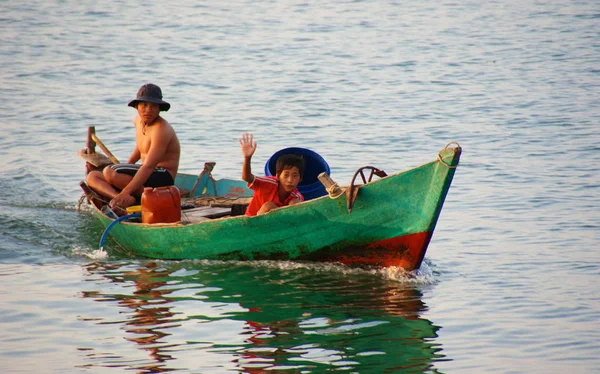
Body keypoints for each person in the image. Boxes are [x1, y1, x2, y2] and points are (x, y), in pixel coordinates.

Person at [86, 83, 180, 209]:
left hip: (162, 174)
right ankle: (118, 199)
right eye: (144, 105)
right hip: (146, 172)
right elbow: (141, 146)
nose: (148, 110)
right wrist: (126, 165)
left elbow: (149, 166)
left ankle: (139, 197)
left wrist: (125, 190)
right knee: (93, 176)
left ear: (159, 109)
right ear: (136, 106)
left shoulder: (161, 129)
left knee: (110, 172)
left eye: (153, 106)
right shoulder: (137, 121)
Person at [239, 133, 305, 216]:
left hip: (279, 224)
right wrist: (247, 158)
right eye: (286, 175)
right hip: (252, 221)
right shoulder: (268, 183)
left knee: (295, 204)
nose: (290, 180)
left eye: (295, 176)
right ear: (278, 176)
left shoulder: (297, 197)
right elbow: (247, 177)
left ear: (300, 179)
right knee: (269, 206)